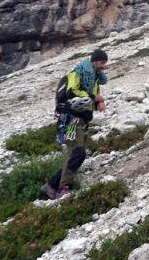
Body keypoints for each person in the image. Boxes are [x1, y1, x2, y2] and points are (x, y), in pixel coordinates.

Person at [42, 49, 108, 199]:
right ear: (95, 61)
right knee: (77, 152)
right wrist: (94, 97)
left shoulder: (94, 78)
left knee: (78, 154)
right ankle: (64, 188)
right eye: (102, 62)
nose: (104, 66)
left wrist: (98, 102)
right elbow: (72, 91)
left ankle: (51, 185)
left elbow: (89, 98)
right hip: (70, 118)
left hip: (81, 119)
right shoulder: (77, 73)